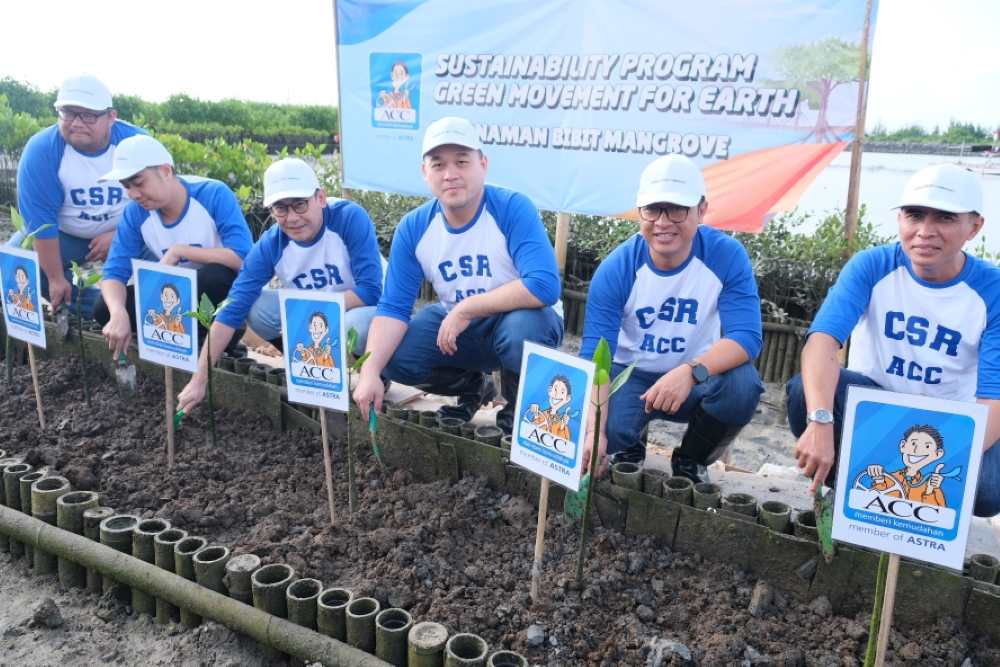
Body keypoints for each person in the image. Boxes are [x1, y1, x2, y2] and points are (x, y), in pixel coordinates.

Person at [787, 163, 1000, 517]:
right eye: (914, 215)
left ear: (974, 226)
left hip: (950, 421)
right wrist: (821, 420)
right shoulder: (872, 265)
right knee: (801, 395)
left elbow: (994, 397)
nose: (924, 232)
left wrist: (932, 463)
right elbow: (822, 341)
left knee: (989, 491)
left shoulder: (992, 291)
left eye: (945, 219)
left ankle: (899, 497)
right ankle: (850, 491)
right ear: (900, 218)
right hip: (874, 406)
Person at [351, 116, 564, 433]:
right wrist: (370, 371)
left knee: (521, 334)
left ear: (483, 164)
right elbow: (394, 307)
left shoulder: (511, 208)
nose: (450, 174)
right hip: (459, 325)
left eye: (462, 162)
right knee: (391, 356)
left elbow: (544, 285)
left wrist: (467, 308)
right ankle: (472, 386)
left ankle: (518, 408)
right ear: (425, 173)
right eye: (438, 165)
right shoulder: (414, 227)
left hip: (522, 319)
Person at [579, 154, 763, 482]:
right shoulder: (617, 269)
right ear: (639, 212)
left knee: (742, 386)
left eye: (677, 209)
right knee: (606, 434)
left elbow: (747, 337)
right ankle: (630, 443)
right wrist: (595, 433)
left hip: (696, 378)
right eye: (653, 209)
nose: (663, 222)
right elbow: (597, 357)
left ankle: (691, 460)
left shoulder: (725, 256)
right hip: (631, 375)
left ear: (701, 209)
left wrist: (691, 372)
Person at [176, 157, 383, 413]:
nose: (292, 218)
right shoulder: (271, 243)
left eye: (300, 205)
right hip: (314, 315)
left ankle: (375, 370)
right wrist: (199, 380)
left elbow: (371, 290)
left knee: (355, 328)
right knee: (255, 306)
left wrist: (310, 312)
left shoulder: (348, 218)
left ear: (320, 198)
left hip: (363, 307)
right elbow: (233, 307)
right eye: (280, 208)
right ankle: (309, 365)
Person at [95, 135, 252, 355]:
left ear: (166, 171)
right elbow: (113, 273)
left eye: (138, 182)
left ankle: (221, 340)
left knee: (216, 276)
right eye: (126, 186)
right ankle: (170, 342)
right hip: (171, 295)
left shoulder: (213, 194)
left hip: (213, 293)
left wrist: (180, 251)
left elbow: (244, 258)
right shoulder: (135, 212)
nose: (133, 194)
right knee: (104, 307)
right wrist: (118, 313)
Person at [12, 74, 146, 318]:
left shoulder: (136, 144)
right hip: (68, 235)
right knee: (14, 261)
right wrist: (55, 278)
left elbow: (160, 203)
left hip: (129, 232)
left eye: (88, 115)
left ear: (111, 117)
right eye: (68, 113)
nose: (76, 123)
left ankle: (136, 310)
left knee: (169, 262)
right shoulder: (42, 151)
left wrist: (120, 235)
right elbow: (42, 224)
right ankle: (101, 310)